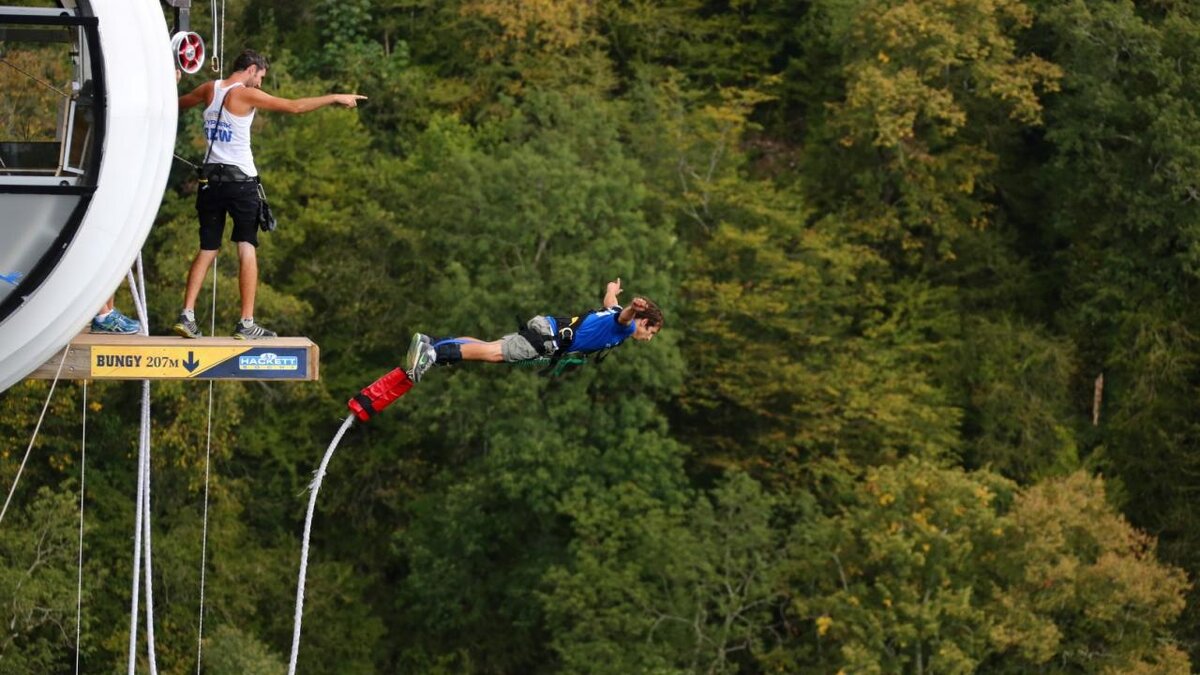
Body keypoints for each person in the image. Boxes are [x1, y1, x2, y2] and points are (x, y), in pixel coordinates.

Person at [172, 49, 366, 340]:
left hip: (210, 181)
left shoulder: (208, 89)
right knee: (246, 245)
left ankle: (186, 315)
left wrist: (170, 81)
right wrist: (334, 97)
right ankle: (246, 322)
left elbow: (174, 106)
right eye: (260, 77)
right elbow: (294, 107)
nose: (260, 84)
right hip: (241, 183)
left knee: (208, 248)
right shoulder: (244, 94)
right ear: (251, 69)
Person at [406, 278, 663, 381]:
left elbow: (610, 301)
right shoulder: (627, 326)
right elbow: (626, 317)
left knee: (491, 347)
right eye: (651, 332)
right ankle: (432, 354)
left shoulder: (614, 312)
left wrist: (612, 289)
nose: (648, 338)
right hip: (548, 338)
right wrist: (634, 307)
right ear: (643, 321)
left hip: (549, 329)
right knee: (494, 353)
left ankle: (434, 341)